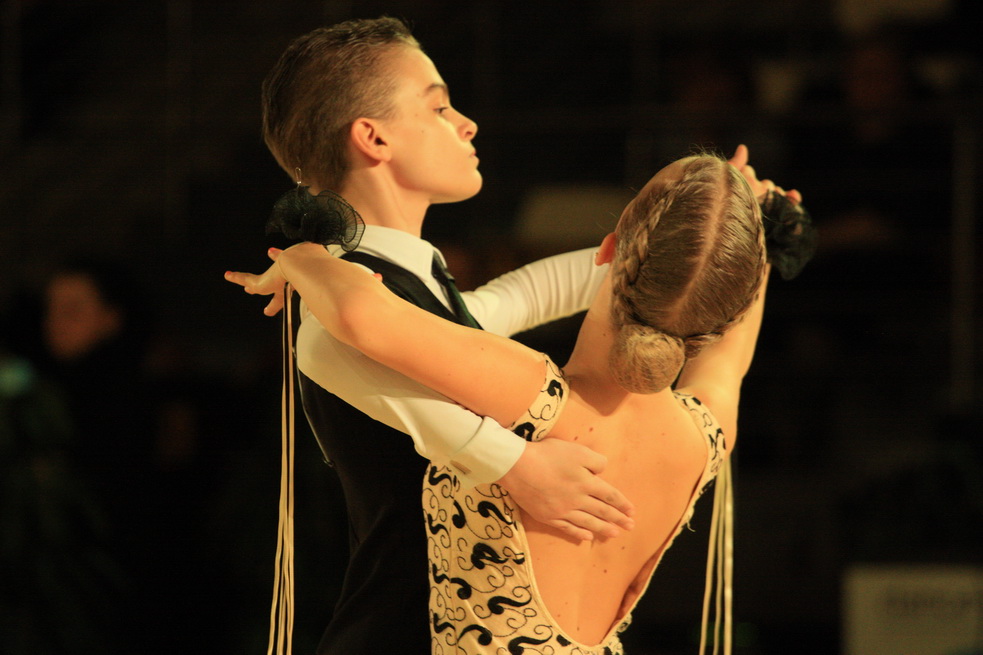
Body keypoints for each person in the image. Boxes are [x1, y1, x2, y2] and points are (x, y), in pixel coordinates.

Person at [228, 153, 799, 652]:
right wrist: (741, 229)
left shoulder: (533, 396)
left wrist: (301, 255)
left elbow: (357, 316)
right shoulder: (705, 434)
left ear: (606, 249)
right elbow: (730, 352)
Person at [247, 17, 637, 653]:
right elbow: (329, 343)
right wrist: (517, 464)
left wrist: (712, 220)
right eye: (439, 106)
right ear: (373, 137)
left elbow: (526, 295)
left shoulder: (399, 285)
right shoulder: (342, 300)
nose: (467, 123)